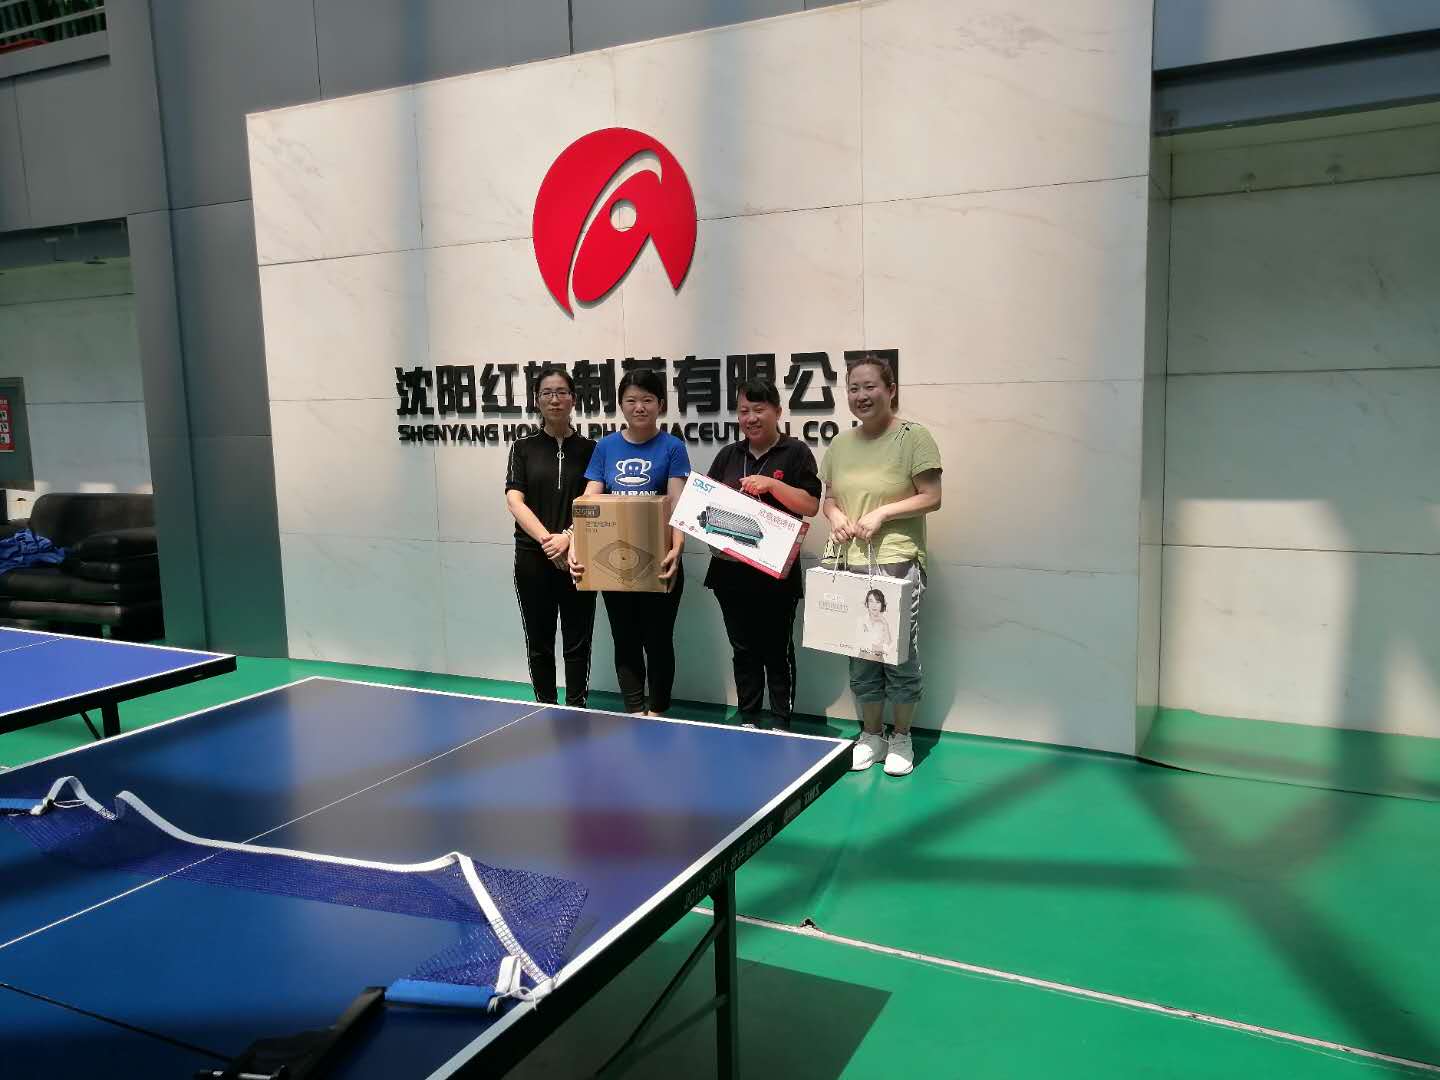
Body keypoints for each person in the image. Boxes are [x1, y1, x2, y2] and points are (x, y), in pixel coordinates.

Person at [820, 352, 942, 777]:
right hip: (851, 563)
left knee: (897, 653)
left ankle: (901, 736)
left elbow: (932, 496)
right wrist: (836, 517)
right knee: (860, 654)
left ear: (891, 390)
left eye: (870, 386)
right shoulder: (840, 444)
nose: (861, 395)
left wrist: (883, 514)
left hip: (897, 562)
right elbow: (829, 499)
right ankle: (871, 735)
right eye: (853, 388)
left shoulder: (914, 437)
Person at [569, 367, 690, 715]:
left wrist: (677, 549)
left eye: (647, 400)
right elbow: (588, 502)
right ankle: (635, 711)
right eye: (631, 400)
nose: (639, 407)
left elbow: (677, 504)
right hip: (614, 564)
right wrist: (576, 542)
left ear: (660, 404)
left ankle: (659, 712)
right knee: (625, 639)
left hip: (661, 561)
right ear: (621, 404)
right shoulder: (606, 447)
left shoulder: (673, 447)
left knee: (658, 640)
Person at [704, 378, 821, 729]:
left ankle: (782, 721)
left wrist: (772, 484)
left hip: (776, 574)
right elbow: (705, 504)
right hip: (729, 572)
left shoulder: (796, 452)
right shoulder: (728, 455)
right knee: (743, 649)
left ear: (777, 412)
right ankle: (749, 717)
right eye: (744, 411)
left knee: (777, 650)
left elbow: (811, 505)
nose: (751, 418)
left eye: (759, 409)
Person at [505, 366, 597, 708]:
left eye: (561, 392)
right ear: (537, 400)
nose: (554, 399)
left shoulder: (591, 449)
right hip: (533, 557)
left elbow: (594, 499)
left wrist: (569, 538)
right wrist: (550, 542)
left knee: (578, 639)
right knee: (539, 640)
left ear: (573, 399)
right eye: (547, 393)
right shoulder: (522, 448)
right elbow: (515, 501)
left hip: (579, 555)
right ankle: (544, 705)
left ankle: (577, 706)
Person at [856, 589, 893, 662]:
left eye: (877, 602)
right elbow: (859, 643)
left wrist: (885, 624)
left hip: (879, 661)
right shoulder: (861, 620)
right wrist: (880, 648)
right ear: (867, 603)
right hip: (862, 660)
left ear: (882, 605)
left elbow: (888, 647)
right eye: (871, 601)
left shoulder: (885, 623)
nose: (874, 605)